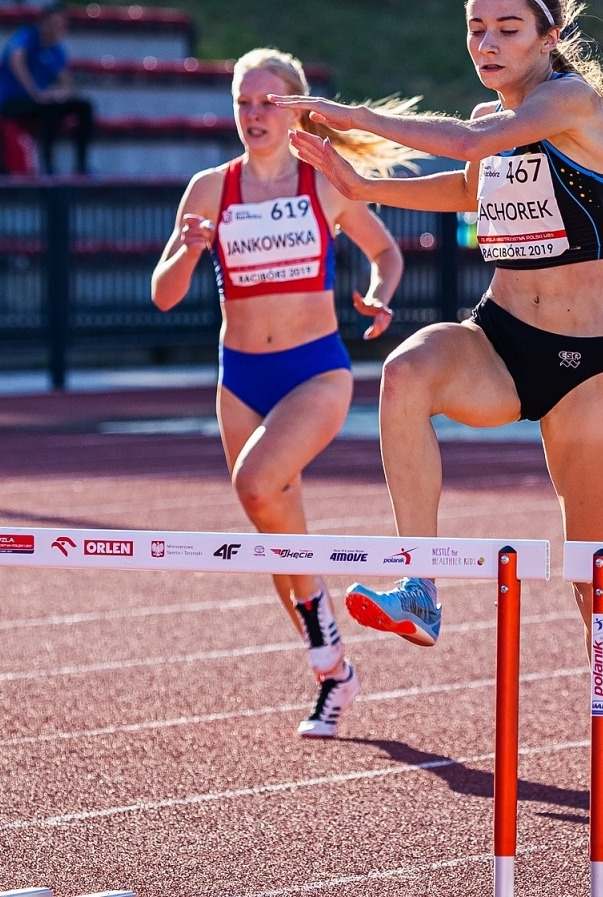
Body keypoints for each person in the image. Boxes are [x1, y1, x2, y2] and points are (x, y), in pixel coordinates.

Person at [275, 0, 603, 875]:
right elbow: (463, 190)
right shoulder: (496, 127)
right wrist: (356, 187)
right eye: (476, 29)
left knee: (594, 580)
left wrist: (357, 121)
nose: (486, 44)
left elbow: (449, 141)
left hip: (590, 368)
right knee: (404, 373)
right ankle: (422, 585)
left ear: (550, 36)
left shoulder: (569, 107)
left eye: (506, 28)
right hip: (502, 339)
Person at [151, 47, 410, 739]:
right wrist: (187, 248)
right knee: (271, 528)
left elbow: (387, 251)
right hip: (240, 375)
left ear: (294, 107)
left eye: (268, 102)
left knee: (259, 482)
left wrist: (380, 297)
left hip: (315, 370)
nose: (255, 115)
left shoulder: (322, 183)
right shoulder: (211, 188)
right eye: (243, 102)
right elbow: (164, 295)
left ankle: (322, 626)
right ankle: (332, 673)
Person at [0, 4, 94, 174]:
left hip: (39, 102)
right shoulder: (27, 36)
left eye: (61, 25)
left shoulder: (56, 50)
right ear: (44, 22)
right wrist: (35, 92)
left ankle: (81, 166)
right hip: (13, 101)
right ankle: (48, 165)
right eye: (54, 24)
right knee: (52, 107)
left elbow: (67, 82)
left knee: (83, 107)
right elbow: (16, 61)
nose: (57, 29)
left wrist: (60, 94)